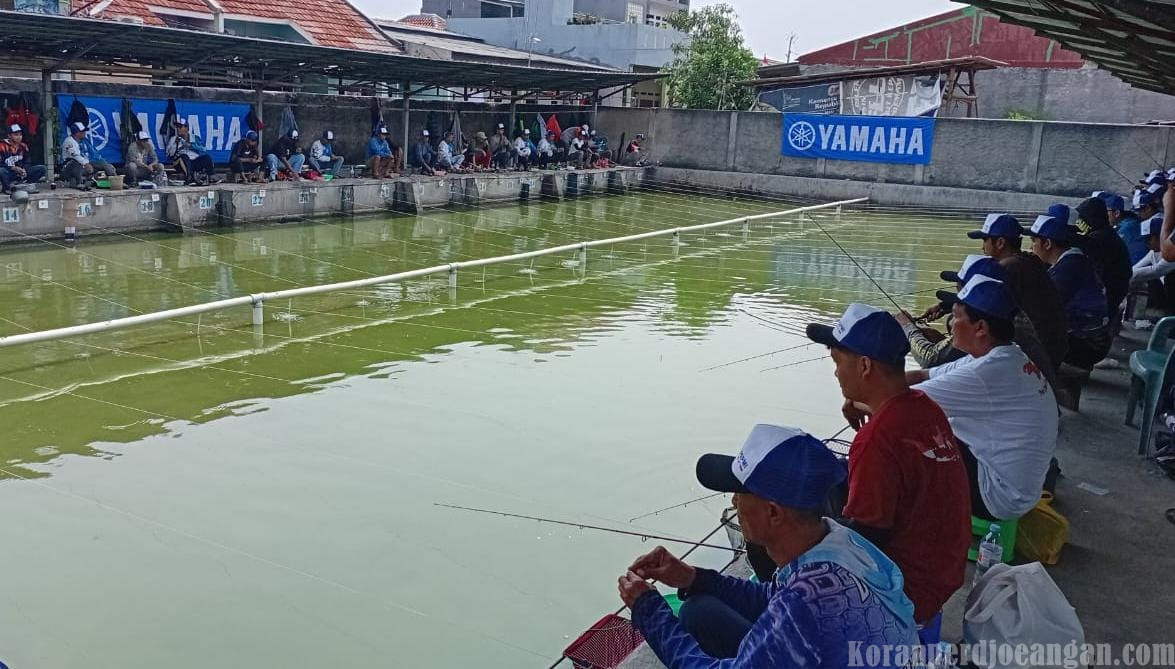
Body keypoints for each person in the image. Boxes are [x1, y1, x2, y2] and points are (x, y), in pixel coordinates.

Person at [620, 424, 918, 667]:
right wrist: (693, 577)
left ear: (774, 512)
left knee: (691, 623)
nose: (734, 502)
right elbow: (773, 597)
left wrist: (648, 610)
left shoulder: (807, 600)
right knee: (699, 612)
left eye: (739, 493)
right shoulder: (837, 540)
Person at [806, 304, 970, 629]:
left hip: (906, 591)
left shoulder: (877, 439)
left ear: (865, 365)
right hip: (944, 572)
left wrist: (802, 537)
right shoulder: (925, 407)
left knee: (793, 518)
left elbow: (865, 539)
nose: (836, 372)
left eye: (838, 362)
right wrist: (858, 402)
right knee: (833, 477)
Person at [899, 275, 1058, 522]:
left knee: (907, 431)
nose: (951, 325)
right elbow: (921, 374)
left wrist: (857, 397)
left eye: (956, 316)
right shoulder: (1002, 355)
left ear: (981, 328)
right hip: (1017, 486)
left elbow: (899, 403)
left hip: (998, 496)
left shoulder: (989, 372)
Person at [964, 213, 1069, 377]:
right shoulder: (1030, 261)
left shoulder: (1007, 267)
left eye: (985, 240)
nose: (982, 247)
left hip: (1041, 352)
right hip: (1056, 346)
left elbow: (982, 305)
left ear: (1000, 242)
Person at [1027, 213, 1111, 369]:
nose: (1032, 247)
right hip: (1091, 337)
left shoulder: (1069, 267)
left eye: (1034, 241)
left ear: (1047, 244)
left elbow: (1040, 307)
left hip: (1087, 342)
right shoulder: (1071, 261)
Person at [1076, 197, 1132, 329]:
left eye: (1083, 217)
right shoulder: (1105, 233)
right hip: (1117, 287)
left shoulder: (1099, 237)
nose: (1080, 221)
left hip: (1111, 289)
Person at [1130, 215, 1175, 311]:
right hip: (1166, 294)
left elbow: (1156, 270)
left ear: (1161, 236)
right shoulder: (1153, 252)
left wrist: (1125, 276)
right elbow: (1136, 268)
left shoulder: (1172, 250)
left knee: (1168, 278)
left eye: (1148, 239)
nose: (1146, 243)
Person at [62, 121, 118, 189]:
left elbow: (95, 154)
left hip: (84, 167)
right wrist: (86, 164)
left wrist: (106, 165)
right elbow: (76, 156)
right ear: (77, 133)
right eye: (82, 131)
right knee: (76, 162)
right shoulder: (69, 141)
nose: (84, 133)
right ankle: (78, 183)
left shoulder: (84, 141)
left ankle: (116, 181)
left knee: (103, 164)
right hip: (69, 168)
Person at [165, 119, 214, 186]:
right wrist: (176, 146)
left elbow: (203, 149)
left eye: (180, 127)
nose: (178, 129)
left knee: (207, 157)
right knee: (184, 156)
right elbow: (169, 154)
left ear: (186, 128)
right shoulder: (173, 139)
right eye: (177, 127)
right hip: (180, 162)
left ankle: (211, 177)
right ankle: (189, 177)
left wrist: (192, 146)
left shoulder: (194, 137)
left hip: (194, 161)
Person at [0, 124, 46, 193]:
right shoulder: (2, 146)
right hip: (9, 173)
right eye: (16, 135)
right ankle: (7, 188)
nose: (19, 137)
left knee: (41, 168)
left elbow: (27, 161)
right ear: (9, 135)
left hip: (21, 173)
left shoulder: (23, 146)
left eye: (20, 135)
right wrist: (13, 168)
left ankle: (26, 186)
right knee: (1, 170)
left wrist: (24, 169)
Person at [1106, 192, 1148, 264]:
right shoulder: (1129, 221)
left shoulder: (1128, 227)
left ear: (1116, 213)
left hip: (1136, 267)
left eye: (1106, 211)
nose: (1103, 215)